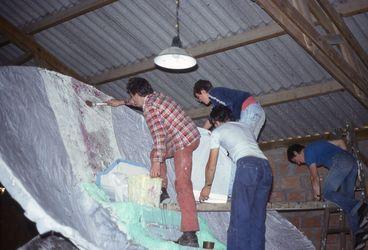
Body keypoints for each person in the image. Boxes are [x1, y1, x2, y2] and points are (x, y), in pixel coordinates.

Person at [106, 77, 201, 247]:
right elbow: (137, 103)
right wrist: (121, 102)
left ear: (136, 93)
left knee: (182, 184)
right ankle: (162, 191)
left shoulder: (149, 109)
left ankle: (190, 234)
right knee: (155, 154)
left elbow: (159, 137)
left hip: (183, 141)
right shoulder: (157, 97)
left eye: (131, 96)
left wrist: (157, 163)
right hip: (188, 134)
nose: (132, 99)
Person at [199, 105, 272, 250]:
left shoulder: (218, 131)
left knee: (240, 219)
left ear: (216, 122)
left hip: (247, 167)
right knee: (257, 220)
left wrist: (207, 186)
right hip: (266, 169)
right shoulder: (244, 128)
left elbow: (211, 165)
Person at [287, 141, 368, 249]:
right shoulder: (317, 146)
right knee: (349, 205)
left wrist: (317, 196)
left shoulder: (308, 151)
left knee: (327, 193)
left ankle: (363, 207)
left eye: (295, 160)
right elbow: (340, 142)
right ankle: (359, 235)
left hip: (342, 162)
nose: (298, 163)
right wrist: (346, 156)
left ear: (296, 153)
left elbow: (314, 177)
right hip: (352, 164)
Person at [193, 79, 265, 139]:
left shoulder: (213, 93)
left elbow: (228, 106)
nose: (200, 101)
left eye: (198, 97)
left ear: (203, 91)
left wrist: (225, 125)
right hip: (256, 112)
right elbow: (211, 118)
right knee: (250, 143)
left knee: (242, 139)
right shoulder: (217, 102)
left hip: (250, 110)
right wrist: (202, 132)